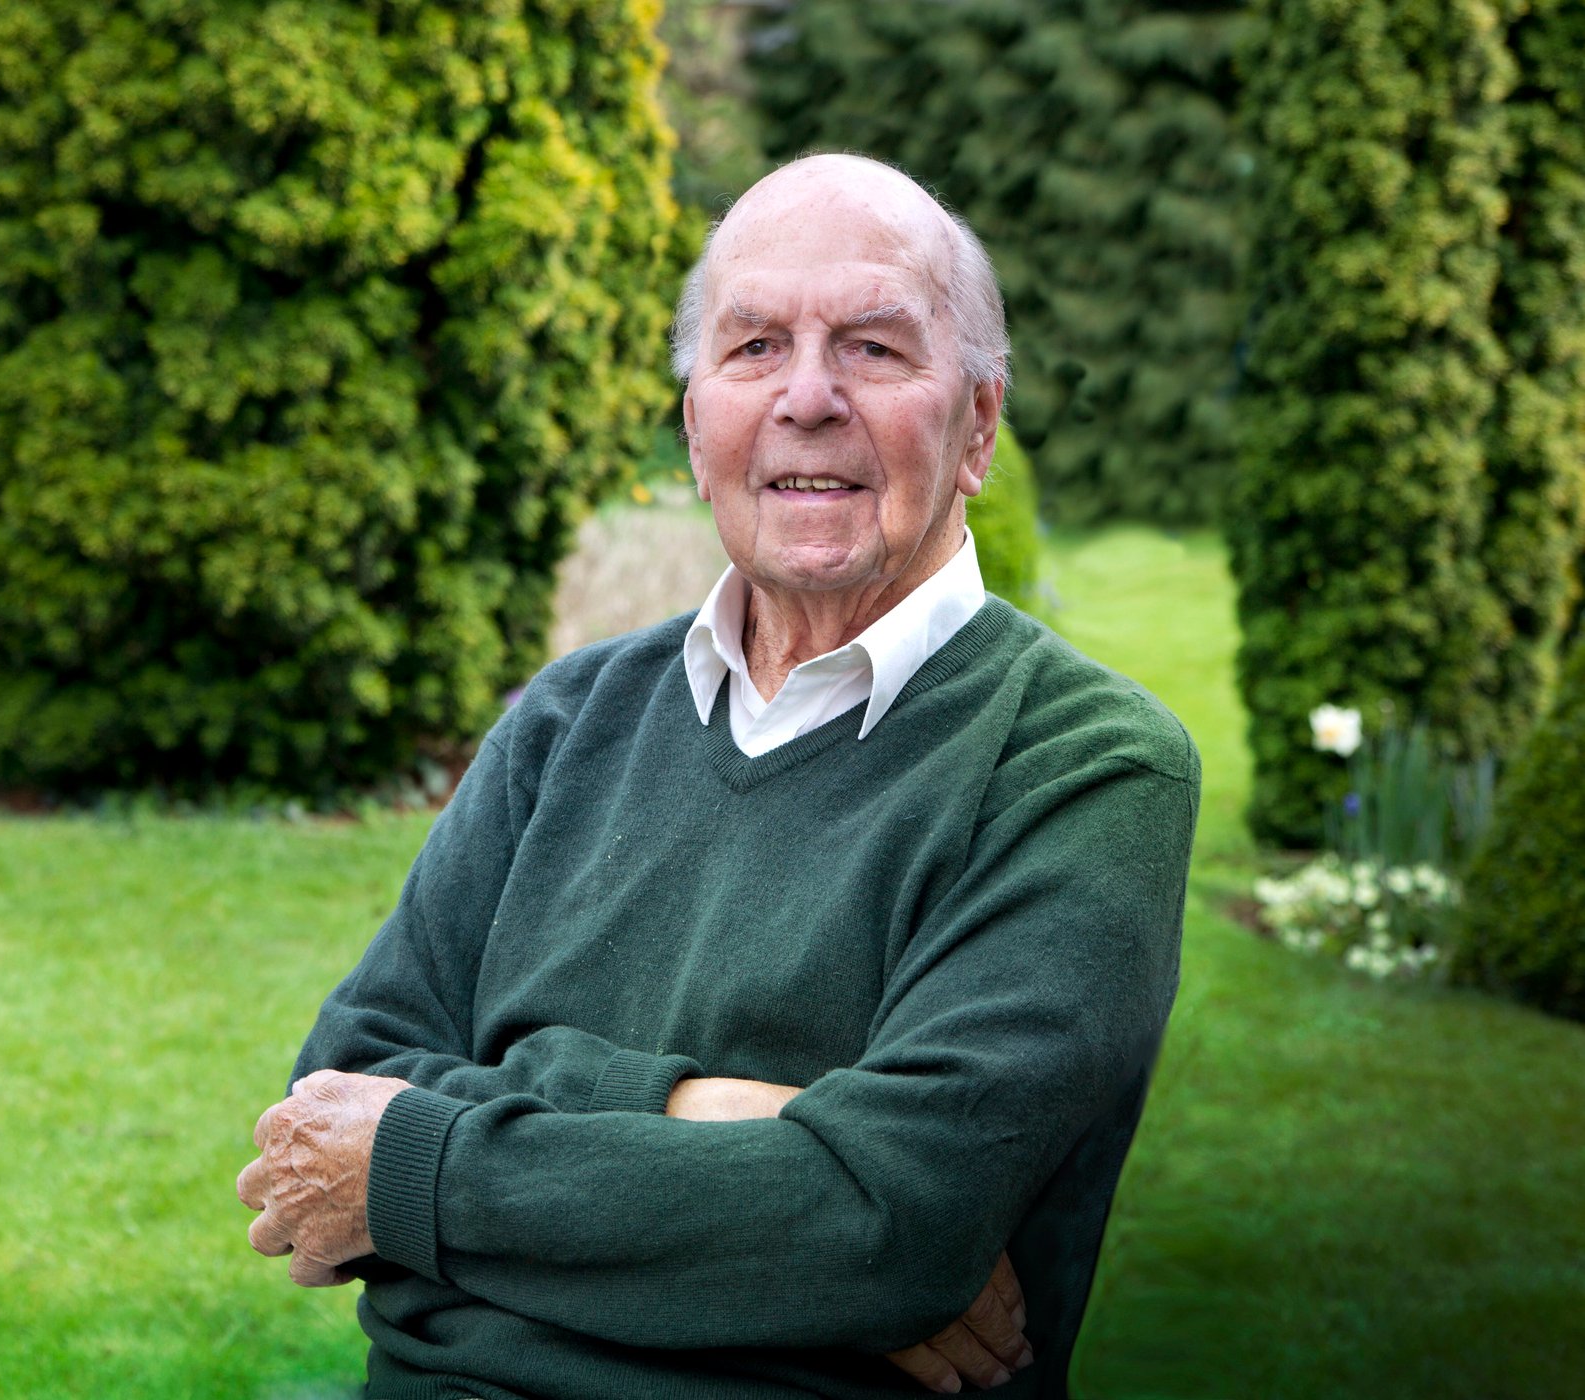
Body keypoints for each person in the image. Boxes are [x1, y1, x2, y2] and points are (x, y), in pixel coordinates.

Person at [236, 153, 1199, 1399]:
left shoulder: (1079, 766)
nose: (806, 397)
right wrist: (726, 1120)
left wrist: (423, 1171)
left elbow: (887, 1228)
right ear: (697, 429)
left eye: (871, 347)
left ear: (976, 426)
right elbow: (336, 1090)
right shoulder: (569, 718)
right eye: (751, 348)